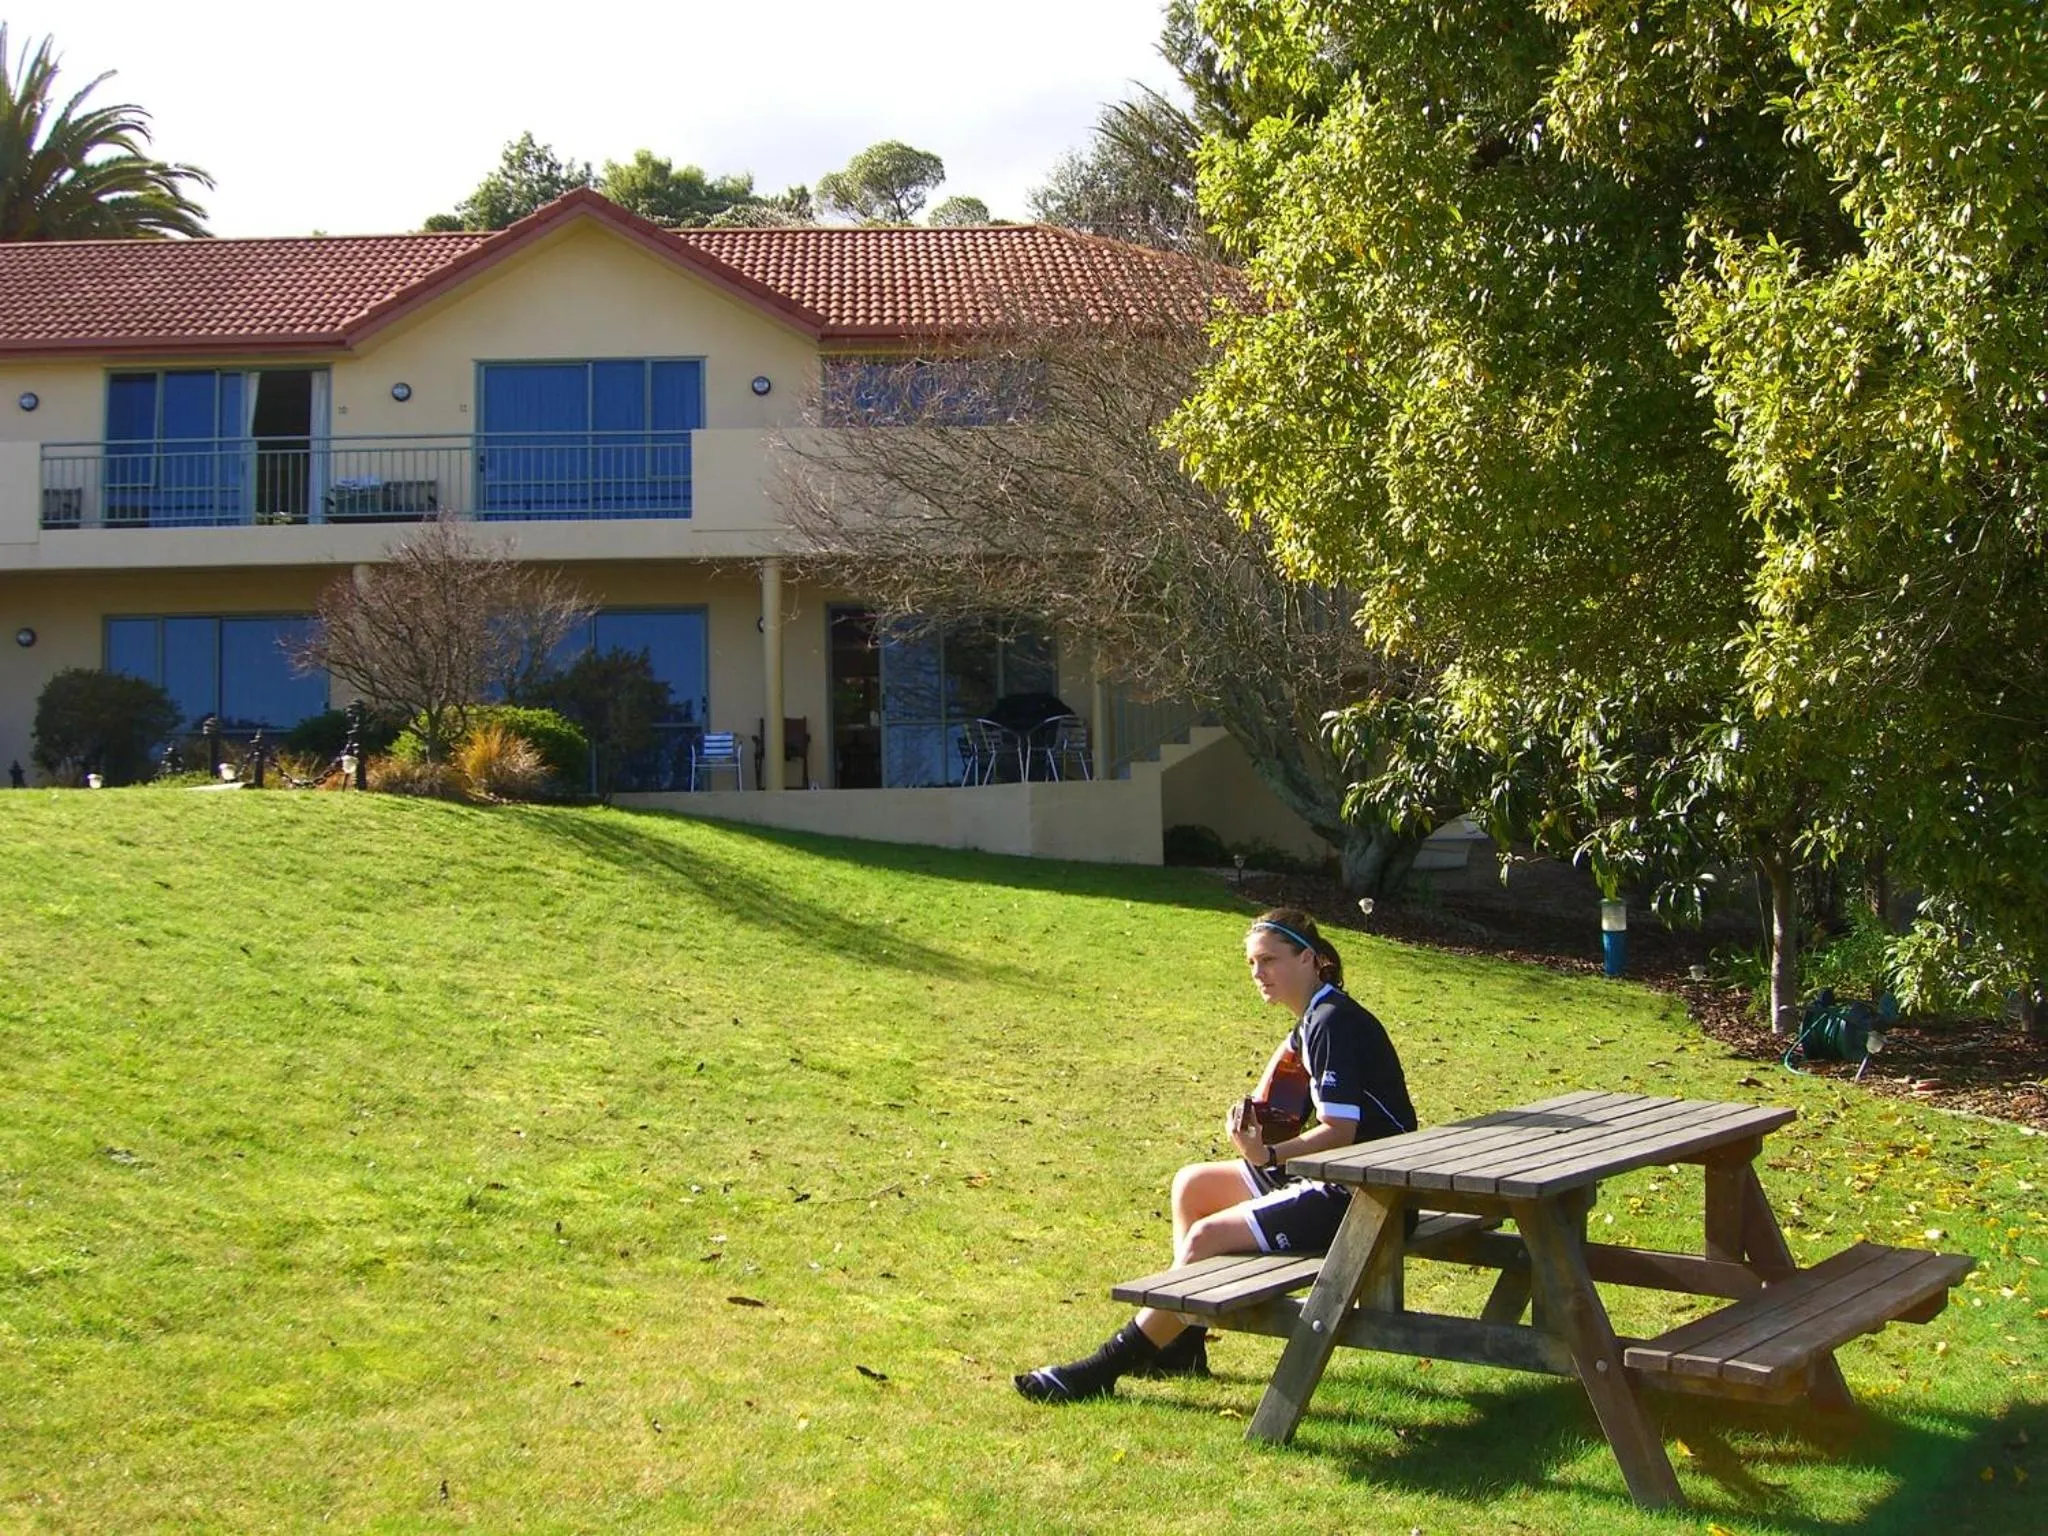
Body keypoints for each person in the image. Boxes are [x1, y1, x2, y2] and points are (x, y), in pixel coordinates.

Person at [1015, 907, 1417, 1403]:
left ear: (1308, 958)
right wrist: (1258, 1126)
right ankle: (1183, 1344)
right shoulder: (1316, 1016)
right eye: (1252, 963)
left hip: (1368, 1196)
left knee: (1206, 1238)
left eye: (1269, 960)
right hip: (1344, 1176)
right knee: (1194, 1186)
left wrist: (1269, 1154)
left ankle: (1102, 1368)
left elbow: (1340, 1131)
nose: (1258, 973)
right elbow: (1279, 1104)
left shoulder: (1331, 1023)